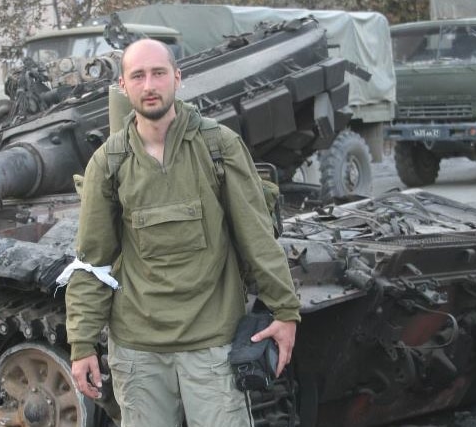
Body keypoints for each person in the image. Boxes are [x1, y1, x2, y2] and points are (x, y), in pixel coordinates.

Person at [64, 38, 301, 426]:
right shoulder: (108, 162)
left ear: (177, 77)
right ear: (123, 86)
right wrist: (82, 343)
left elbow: (257, 237)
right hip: (139, 351)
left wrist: (285, 311)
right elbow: (93, 261)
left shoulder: (217, 146)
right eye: (137, 76)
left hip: (212, 346)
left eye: (158, 73)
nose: (149, 85)